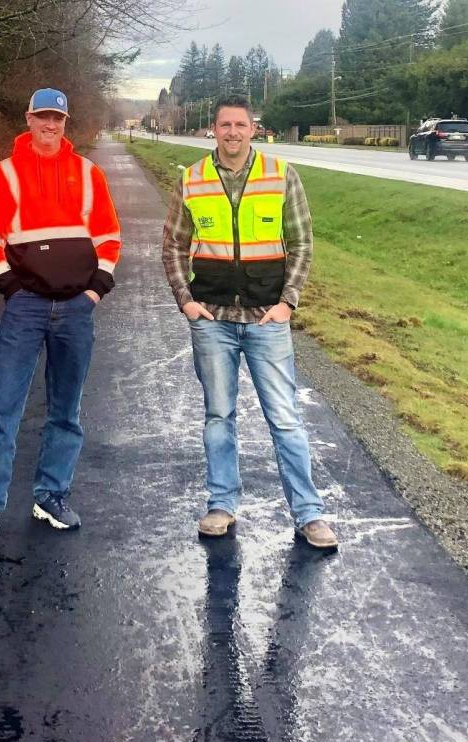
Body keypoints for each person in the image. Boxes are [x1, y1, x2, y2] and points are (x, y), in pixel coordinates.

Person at [161, 94, 337, 550]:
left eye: (241, 124)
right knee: (219, 416)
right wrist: (186, 300)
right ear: (213, 129)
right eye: (225, 125)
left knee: (285, 417)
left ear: (252, 129)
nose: (233, 132)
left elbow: (301, 243)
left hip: (266, 320)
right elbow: (174, 245)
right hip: (212, 318)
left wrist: (288, 303)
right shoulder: (193, 180)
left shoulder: (280, 176)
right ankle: (221, 505)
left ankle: (309, 513)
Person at [0, 88, 121, 550]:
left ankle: (50, 496)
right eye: (43, 117)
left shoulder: (89, 175)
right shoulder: (2, 175)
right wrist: (11, 289)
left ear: (65, 123)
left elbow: (109, 238)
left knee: (66, 411)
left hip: (76, 310)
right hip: (24, 308)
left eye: (58, 119)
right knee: (1, 408)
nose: (50, 126)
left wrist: (94, 291)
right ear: (28, 118)